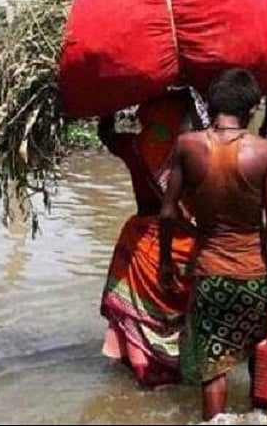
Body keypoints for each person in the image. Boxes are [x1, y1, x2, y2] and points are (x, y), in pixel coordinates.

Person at [158, 68, 267, 422]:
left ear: (210, 104)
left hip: (209, 276)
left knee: (213, 368)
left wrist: (165, 263)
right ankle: (258, 418)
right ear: (251, 109)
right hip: (253, 276)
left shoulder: (188, 145)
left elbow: (168, 212)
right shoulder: (266, 152)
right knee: (259, 359)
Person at [98, 89, 208, 388]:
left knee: (137, 316)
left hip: (143, 243)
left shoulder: (134, 146)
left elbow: (105, 133)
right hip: (187, 244)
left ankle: (142, 370)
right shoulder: (199, 153)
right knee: (185, 317)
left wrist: (109, 100)